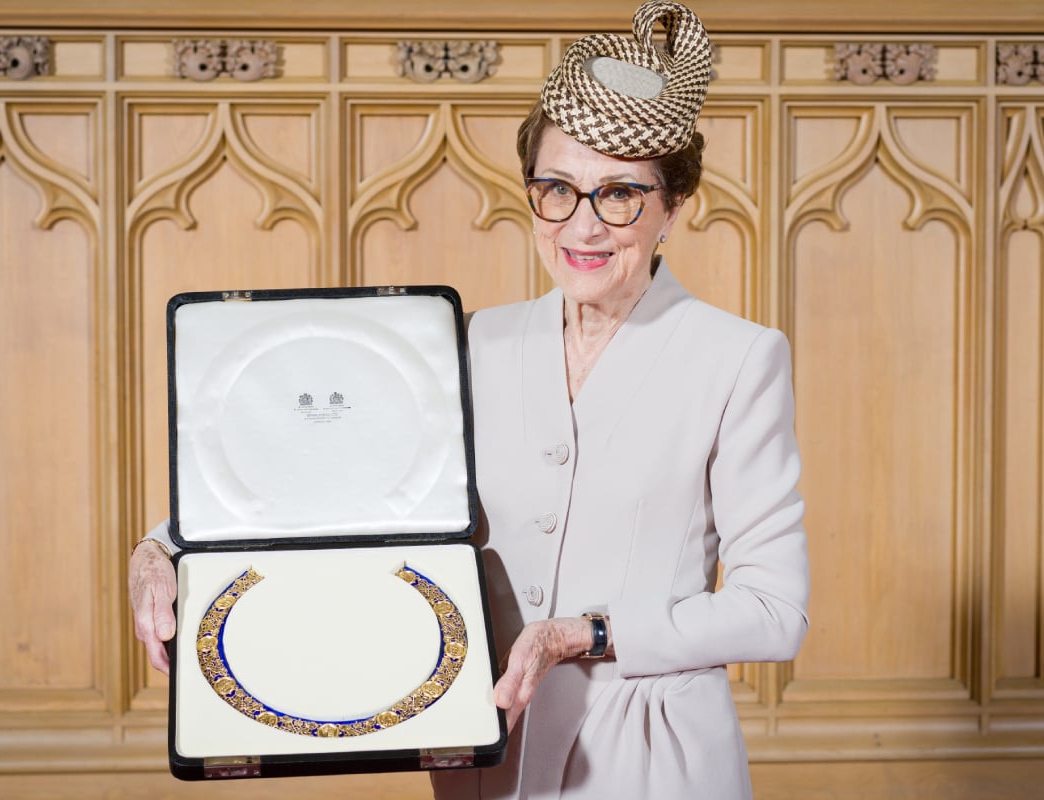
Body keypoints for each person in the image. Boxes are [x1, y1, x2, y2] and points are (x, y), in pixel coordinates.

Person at [129, 2, 809, 797]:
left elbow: (774, 611)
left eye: (618, 195)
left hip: (652, 751)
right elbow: (327, 482)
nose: (582, 226)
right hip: (488, 746)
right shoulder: (476, 341)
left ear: (672, 206)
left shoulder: (737, 357)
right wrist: (162, 550)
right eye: (557, 189)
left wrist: (581, 634)